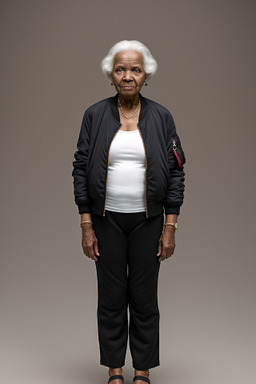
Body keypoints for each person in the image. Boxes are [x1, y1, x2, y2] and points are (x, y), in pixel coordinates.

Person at [72, 40, 185, 384]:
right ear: (111, 74)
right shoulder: (94, 115)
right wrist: (86, 224)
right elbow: (79, 168)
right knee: (110, 298)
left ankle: (142, 371)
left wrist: (170, 227)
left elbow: (177, 171)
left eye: (135, 69)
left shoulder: (162, 117)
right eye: (120, 69)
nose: (128, 76)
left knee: (144, 298)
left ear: (145, 74)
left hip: (148, 221)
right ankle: (115, 370)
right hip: (106, 222)